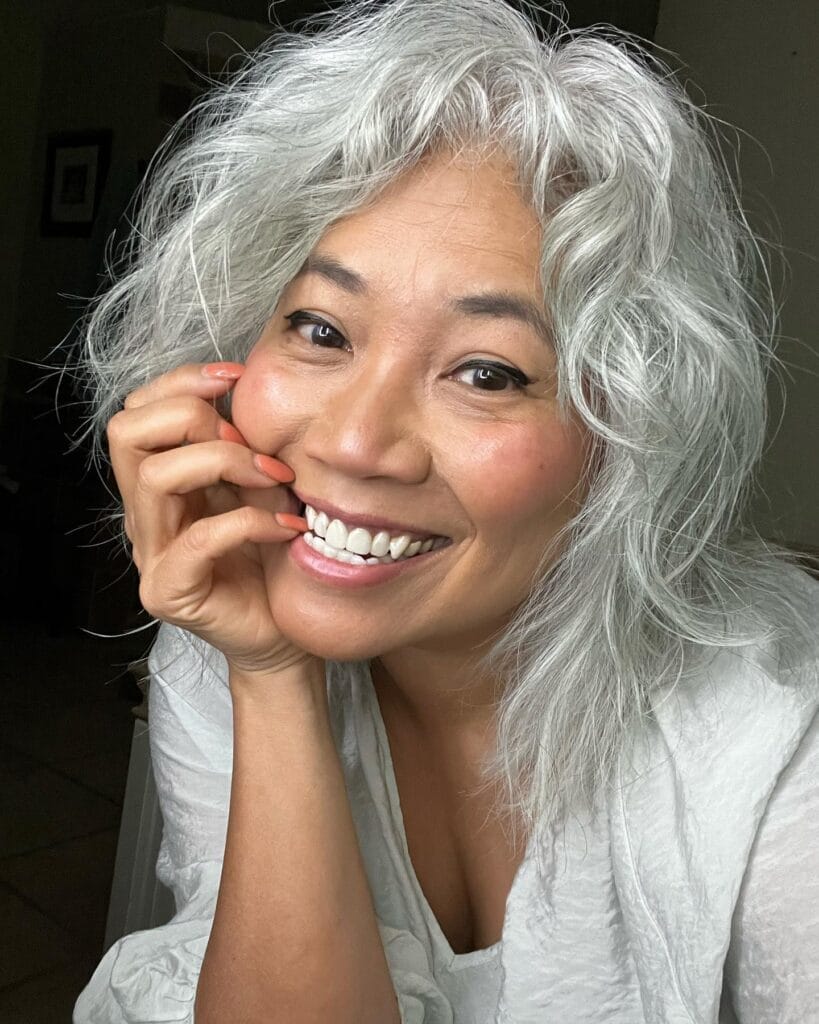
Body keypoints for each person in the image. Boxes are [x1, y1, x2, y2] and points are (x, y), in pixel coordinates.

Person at [71, 0, 818, 1021]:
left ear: (627, 437)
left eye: (486, 371)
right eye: (322, 329)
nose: (351, 442)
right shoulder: (225, 639)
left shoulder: (775, 729)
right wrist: (273, 677)